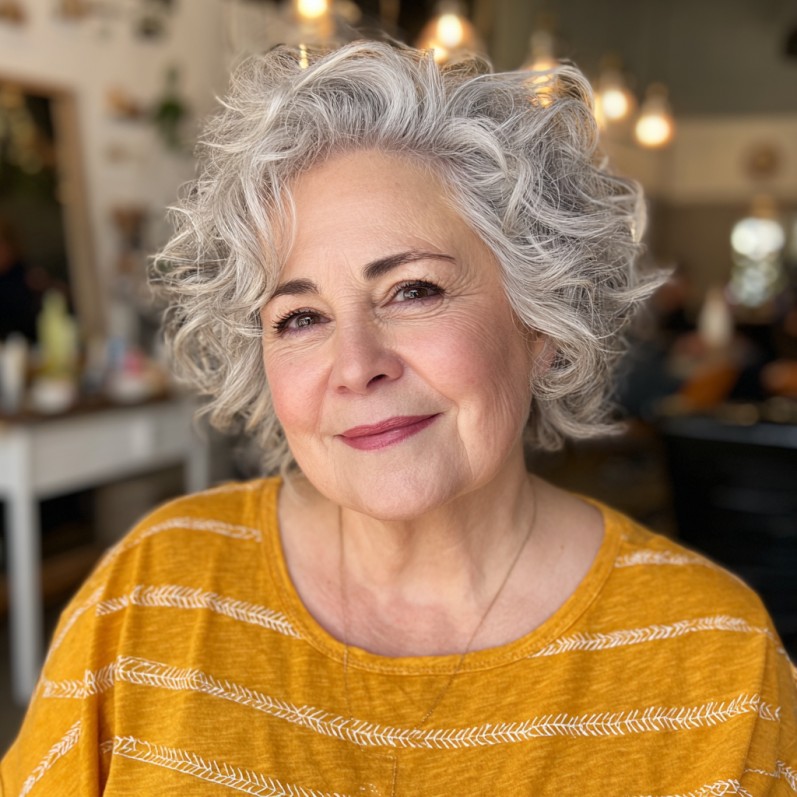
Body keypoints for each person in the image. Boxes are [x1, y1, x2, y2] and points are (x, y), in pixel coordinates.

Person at [2, 42, 794, 796]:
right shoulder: (151, 592)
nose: (356, 364)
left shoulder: (713, 657)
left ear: (541, 320)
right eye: (299, 317)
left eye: (413, 290)